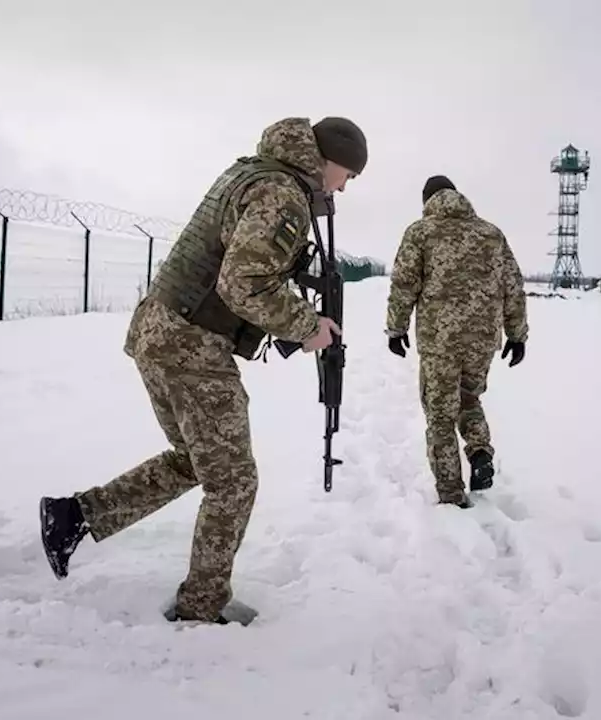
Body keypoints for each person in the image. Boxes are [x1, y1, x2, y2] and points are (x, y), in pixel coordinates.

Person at [38, 116, 367, 624]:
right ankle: (201, 607)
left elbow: (240, 274)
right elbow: (242, 283)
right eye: (349, 174)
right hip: (189, 343)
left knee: (197, 462)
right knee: (233, 480)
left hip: (163, 332)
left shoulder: (257, 173)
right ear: (330, 160)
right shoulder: (281, 193)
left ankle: (73, 516)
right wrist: (306, 327)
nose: (346, 186)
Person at [384, 175, 528, 508]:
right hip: (482, 341)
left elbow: (404, 284)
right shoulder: (491, 234)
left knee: (440, 416)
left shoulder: (420, 232)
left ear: (427, 201)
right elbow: (513, 287)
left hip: (440, 342)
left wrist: (396, 328)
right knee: (469, 399)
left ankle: (451, 496)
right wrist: (517, 334)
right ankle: (479, 452)